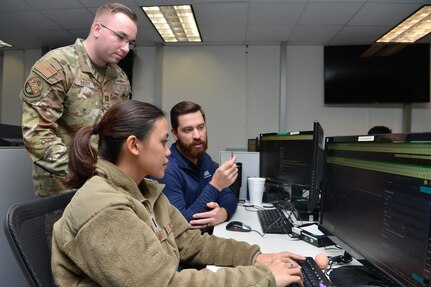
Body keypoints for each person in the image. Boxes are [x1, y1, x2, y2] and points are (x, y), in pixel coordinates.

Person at [51, 100, 305, 287]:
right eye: (163, 142)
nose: (169, 151)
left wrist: (256, 257)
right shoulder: (105, 211)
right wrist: (264, 277)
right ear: (133, 145)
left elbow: (192, 243)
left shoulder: (146, 189)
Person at [20, 2, 138, 197]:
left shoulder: (120, 79)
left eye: (131, 42)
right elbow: (37, 136)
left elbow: (118, 132)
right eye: (120, 37)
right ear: (97, 29)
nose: (126, 48)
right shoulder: (57, 66)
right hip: (63, 187)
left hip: (106, 187)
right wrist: (88, 173)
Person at [156, 101, 238, 231]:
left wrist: (224, 212)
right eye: (188, 130)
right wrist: (215, 185)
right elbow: (180, 224)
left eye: (200, 127)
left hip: (209, 237)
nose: (197, 136)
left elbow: (229, 197)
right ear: (175, 134)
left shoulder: (204, 159)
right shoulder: (166, 169)